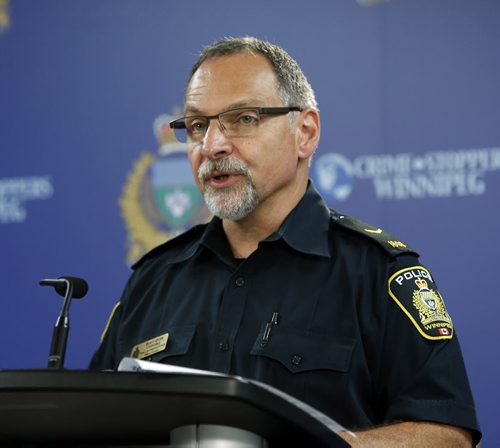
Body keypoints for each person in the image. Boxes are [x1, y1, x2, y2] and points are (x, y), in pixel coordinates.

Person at [90, 37, 481, 446]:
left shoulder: (380, 274)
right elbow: (93, 422)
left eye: (243, 119)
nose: (212, 145)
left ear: (305, 133)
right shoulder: (152, 280)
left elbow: (448, 435)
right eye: (197, 126)